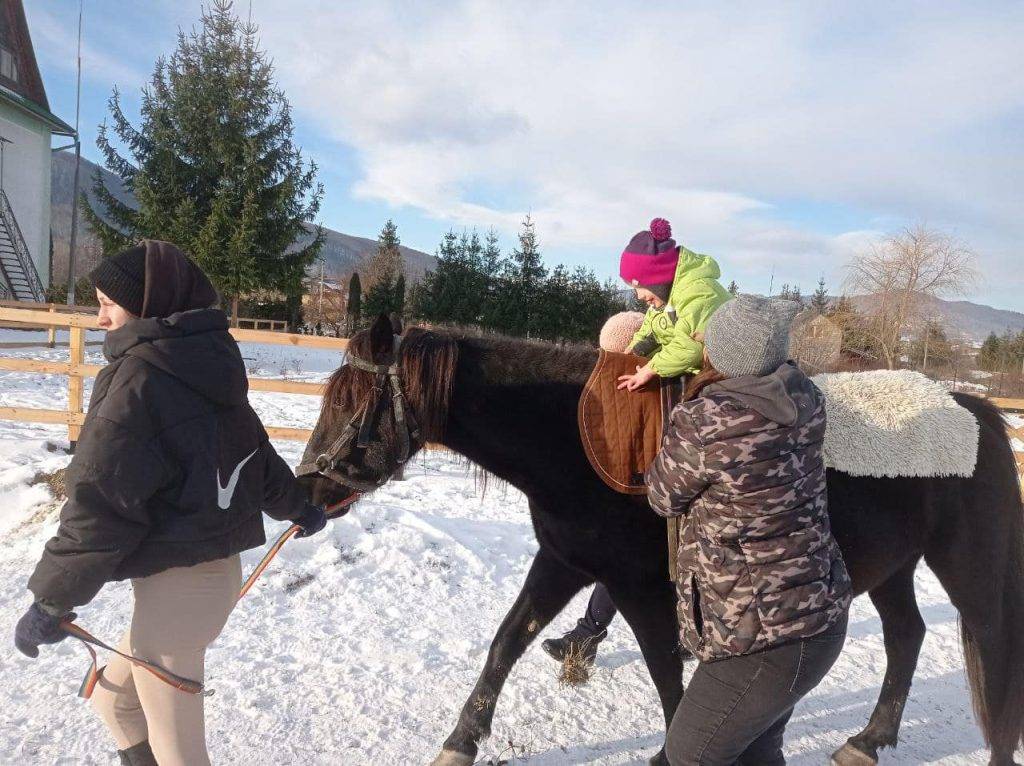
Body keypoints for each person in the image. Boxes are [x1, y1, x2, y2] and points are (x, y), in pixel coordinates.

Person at [13, 241, 327, 766]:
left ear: (146, 304)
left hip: (180, 596)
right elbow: (256, 451)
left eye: (108, 303)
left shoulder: (140, 379)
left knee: (180, 753)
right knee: (114, 702)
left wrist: (51, 599)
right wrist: (297, 505)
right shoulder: (206, 363)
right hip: (206, 583)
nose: (99, 316)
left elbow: (100, 498)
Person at [648, 294, 852, 765]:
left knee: (687, 756)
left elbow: (663, 496)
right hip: (817, 616)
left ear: (721, 353)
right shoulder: (807, 399)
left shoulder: (706, 420)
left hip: (761, 638)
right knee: (757, 750)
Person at [542, 218, 731, 664]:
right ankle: (588, 634)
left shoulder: (697, 295)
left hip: (713, 382)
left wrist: (648, 369)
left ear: (661, 277)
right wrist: (639, 348)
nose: (639, 295)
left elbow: (687, 349)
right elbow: (655, 327)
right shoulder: (669, 296)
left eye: (642, 286)